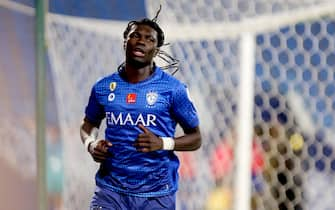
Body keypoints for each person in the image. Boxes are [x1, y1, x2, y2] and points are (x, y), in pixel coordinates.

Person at [80, 9, 202, 210]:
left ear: (157, 49)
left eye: (149, 39)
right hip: (111, 191)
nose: (141, 41)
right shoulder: (103, 87)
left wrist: (163, 142)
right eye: (135, 35)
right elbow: (87, 126)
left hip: (156, 194)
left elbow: (196, 138)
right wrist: (91, 145)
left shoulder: (173, 89)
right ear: (125, 42)